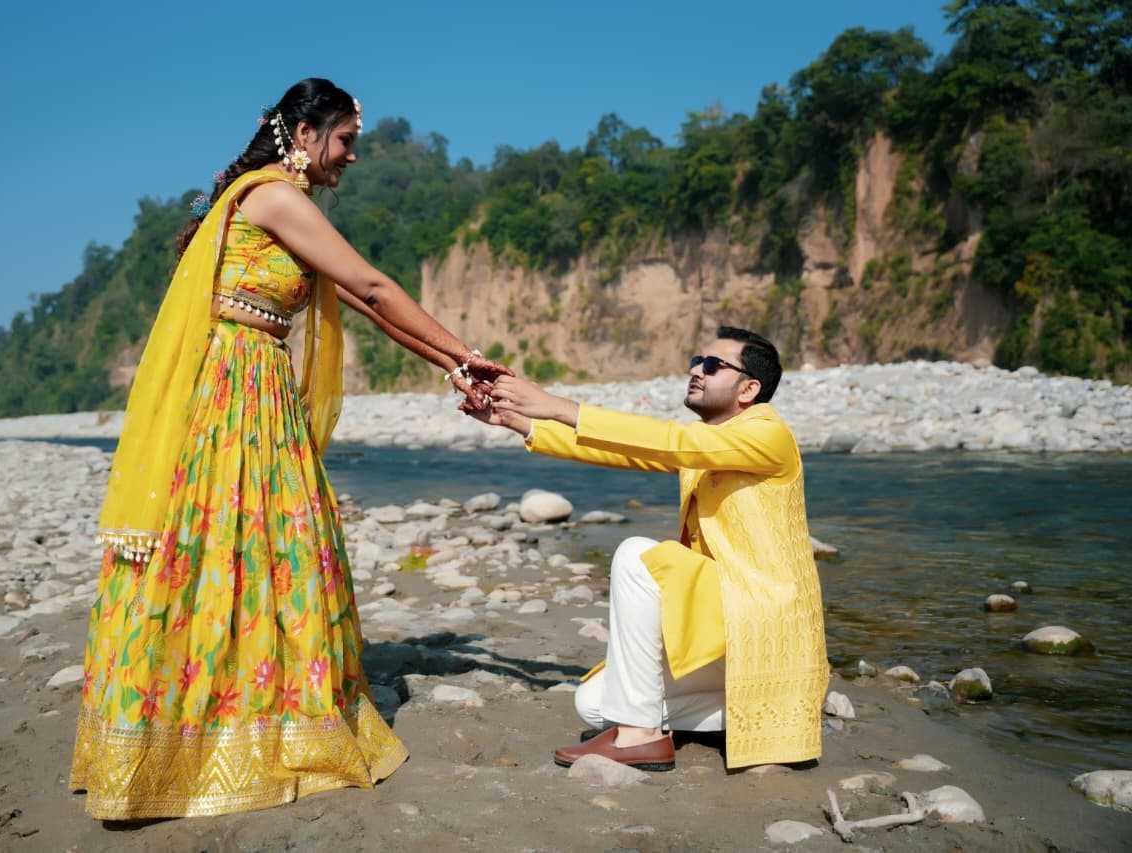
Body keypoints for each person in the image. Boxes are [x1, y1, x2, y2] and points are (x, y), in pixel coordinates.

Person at [69, 78, 509, 820]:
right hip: (235, 388)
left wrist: (454, 365)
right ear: (304, 134)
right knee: (237, 542)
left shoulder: (268, 198)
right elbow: (372, 285)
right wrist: (465, 354)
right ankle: (206, 732)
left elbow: (368, 303)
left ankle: (234, 710)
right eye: (345, 140)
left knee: (248, 545)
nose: (351, 156)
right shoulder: (272, 196)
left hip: (255, 382)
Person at [467, 326, 829, 772]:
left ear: (748, 389)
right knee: (593, 704)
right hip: (729, 624)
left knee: (638, 556)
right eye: (696, 361)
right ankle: (764, 712)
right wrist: (519, 422)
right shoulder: (712, 443)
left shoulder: (767, 432)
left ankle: (641, 736)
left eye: (712, 365)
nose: (696, 370)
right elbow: (629, 452)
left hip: (762, 623)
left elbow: (672, 441)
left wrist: (557, 406)